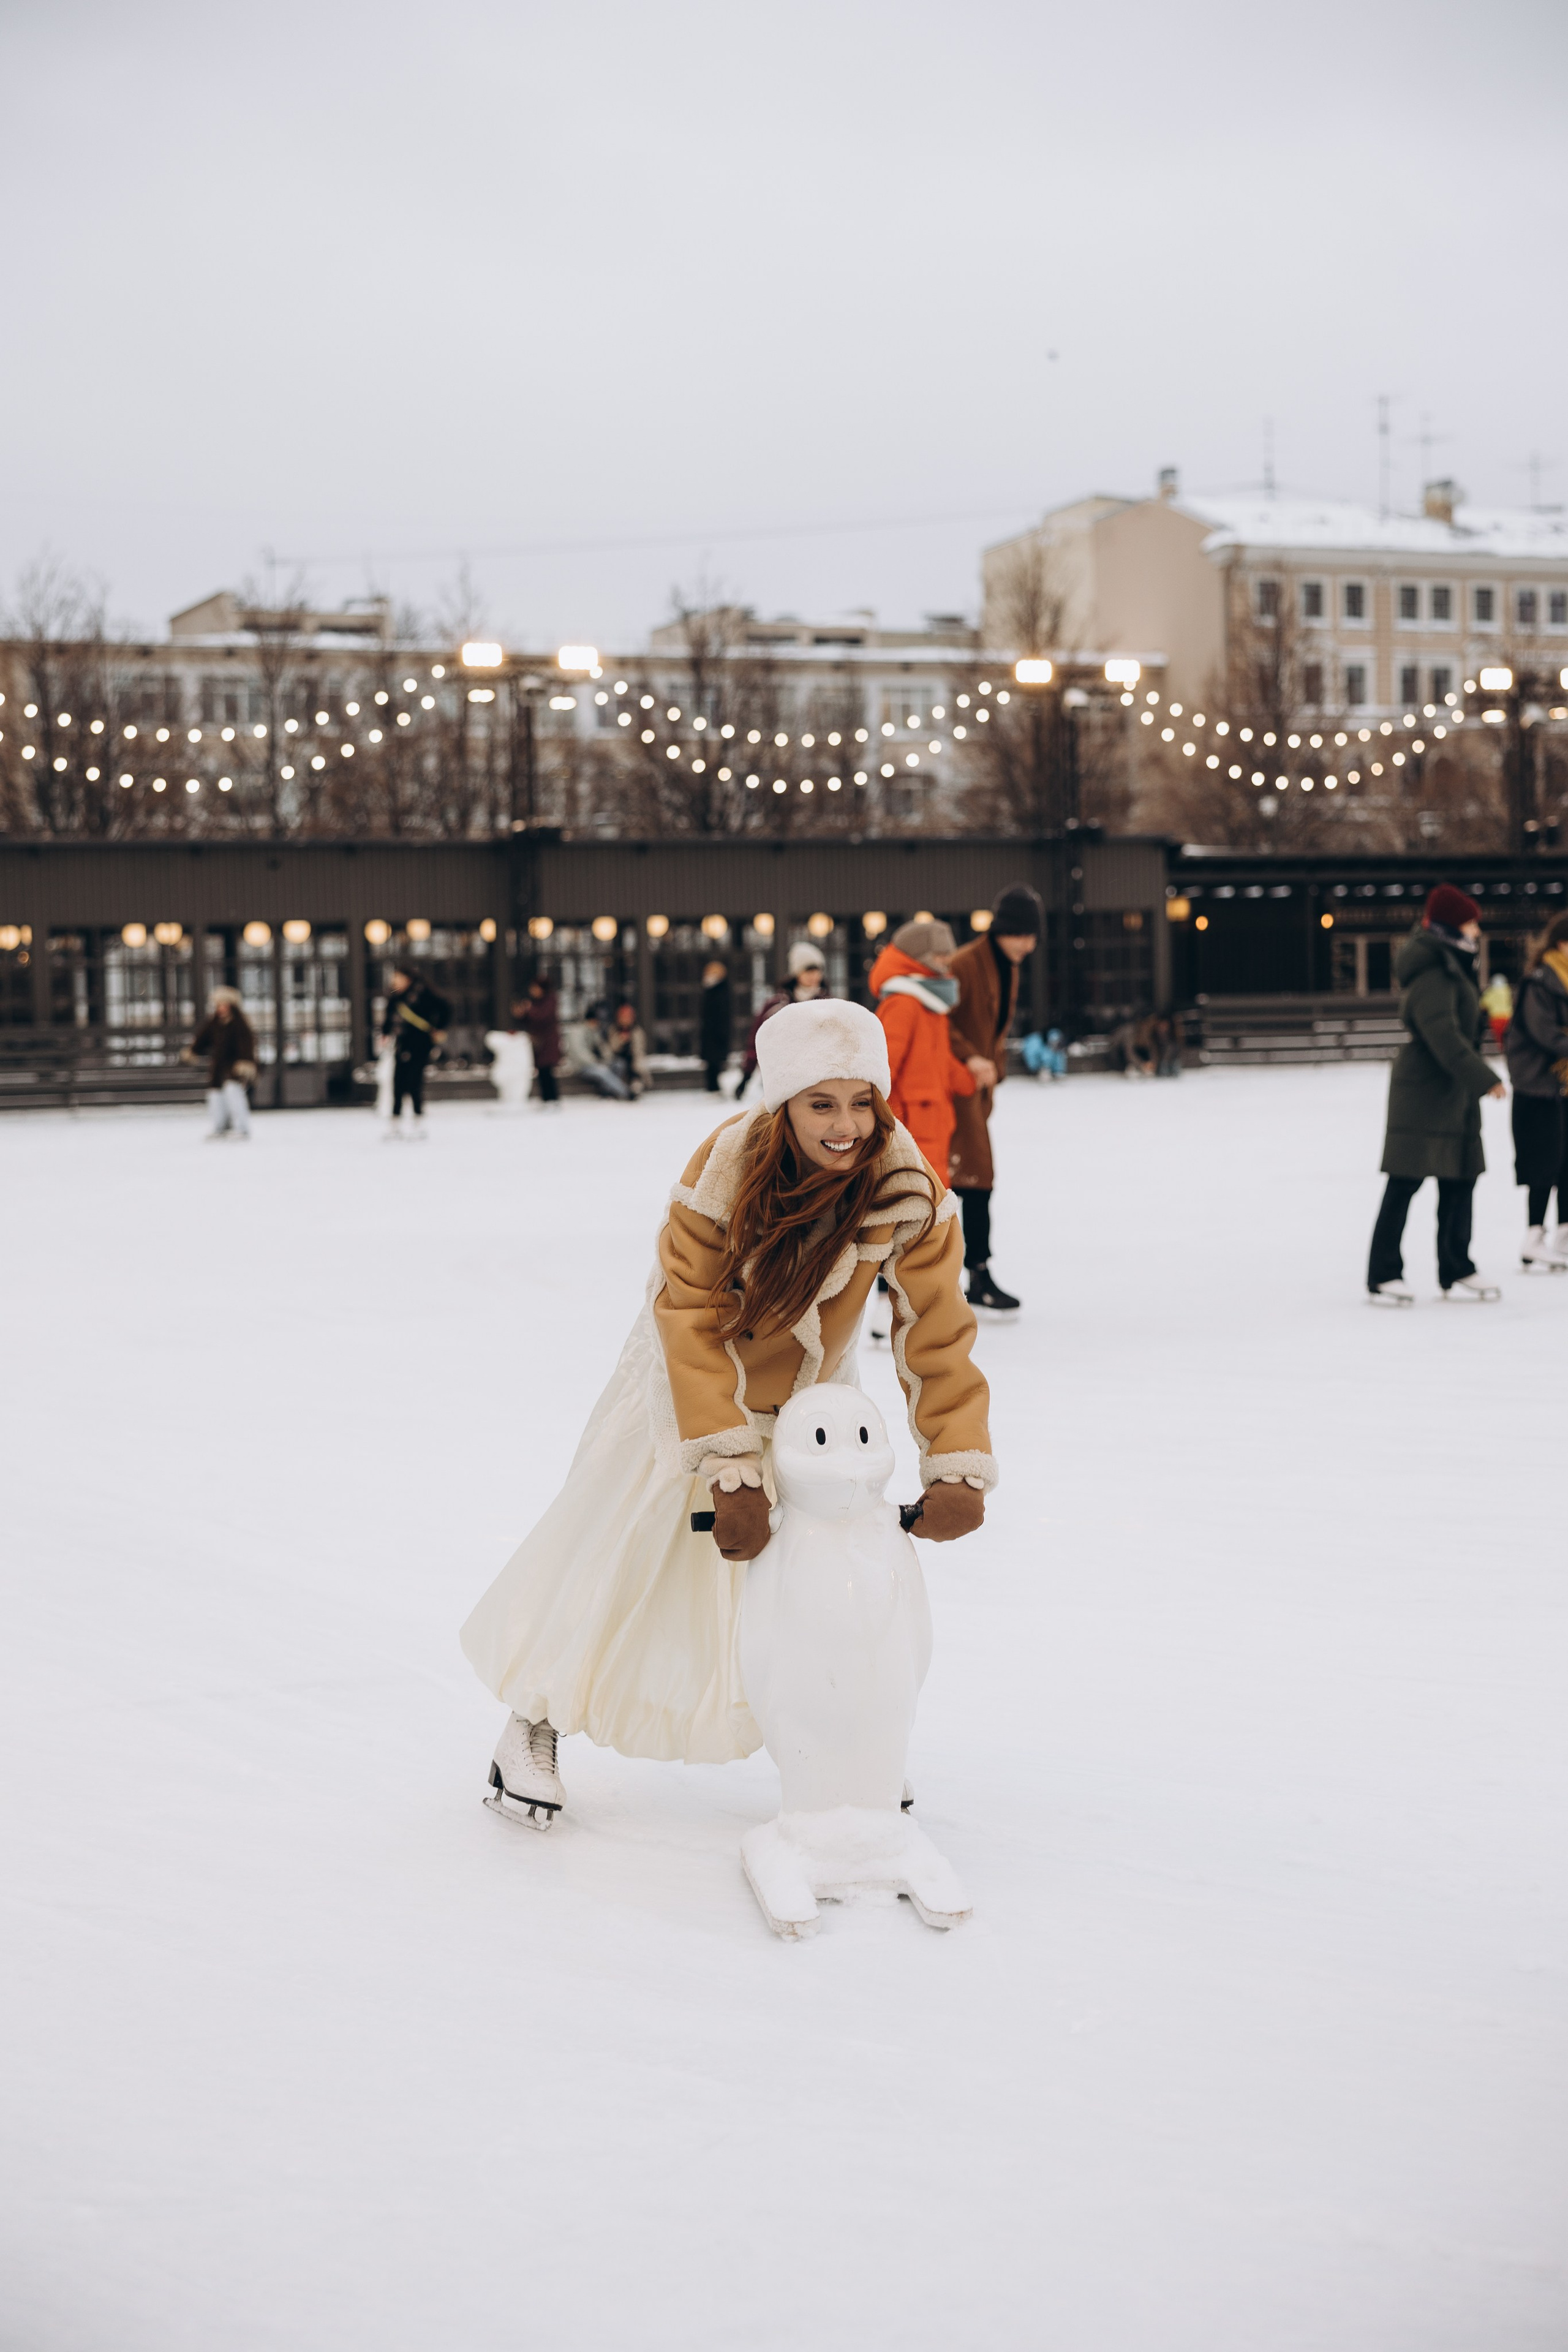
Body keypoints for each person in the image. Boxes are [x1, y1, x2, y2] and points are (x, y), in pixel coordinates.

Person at [460, 997, 997, 1826]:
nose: (846, 1125)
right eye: (821, 1104)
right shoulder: (727, 1170)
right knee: (624, 1555)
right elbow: (688, 1315)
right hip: (689, 1384)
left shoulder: (904, 1185)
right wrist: (727, 1463)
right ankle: (531, 1725)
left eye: (861, 1102)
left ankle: (850, 1748)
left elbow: (936, 1329)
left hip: (812, 1395)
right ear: (783, 1105)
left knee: (826, 1577)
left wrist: (955, 1461)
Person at [1367, 884, 1506, 1305]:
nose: (1477, 931)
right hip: (1424, 1089)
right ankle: (1383, 1273)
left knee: (1461, 1175)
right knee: (1406, 1179)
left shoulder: (1453, 964)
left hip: (1451, 1089)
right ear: (1452, 925)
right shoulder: (1434, 970)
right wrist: (1484, 1077)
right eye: (1471, 922)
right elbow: (1442, 1034)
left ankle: (1456, 1265)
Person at [948, 885, 1042, 1313]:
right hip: (953, 1091)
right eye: (1022, 934)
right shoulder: (965, 963)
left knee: (972, 1181)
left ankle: (973, 1274)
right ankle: (971, 1275)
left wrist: (993, 1068)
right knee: (971, 1180)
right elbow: (940, 1020)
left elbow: (995, 1029)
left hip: (976, 1093)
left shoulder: (1006, 964)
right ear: (1003, 930)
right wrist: (971, 1057)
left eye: (1032, 936)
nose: (1028, 944)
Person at [869, 917, 976, 1175]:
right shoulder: (903, 1004)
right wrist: (890, 1125)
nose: (948, 961)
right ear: (918, 958)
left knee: (934, 1197)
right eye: (940, 955)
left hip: (932, 1126)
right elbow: (883, 1074)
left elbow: (939, 1060)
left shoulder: (929, 1003)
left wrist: (969, 1079)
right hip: (909, 1129)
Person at [1504, 911, 1568, 1271]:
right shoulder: (1540, 982)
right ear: (1562, 943)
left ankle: (1564, 1232)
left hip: (1563, 1082)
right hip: (1540, 1084)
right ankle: (1533, 1236)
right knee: (1545, 1161)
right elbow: (1545, 1034)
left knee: (1567, 1159)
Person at [742, 940, 827, 1090]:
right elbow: (757, 1038)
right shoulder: (777, 1005)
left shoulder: (827, 1003)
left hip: (820, 1076)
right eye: (809, 971)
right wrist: (747, 1074)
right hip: (783, 1076)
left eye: (817, 971)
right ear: (797, 972)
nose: (814, 976)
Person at [382, 965, 449, 1139]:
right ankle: (395, 1123)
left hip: (420, 1044)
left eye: (397, 977)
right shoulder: (396, 995)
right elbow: (389, 1015)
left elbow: (445, 1008)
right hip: (401, 1044)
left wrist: (439, 1028)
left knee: (414, 1082)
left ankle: (418, 1121)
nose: (394, 981)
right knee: (398, 1083)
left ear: (408, 978)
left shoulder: (423, 993)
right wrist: (385, 1033)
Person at [189, 986, 257, 1140]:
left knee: (233, 1094)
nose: (221, 1008)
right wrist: (193, 1051)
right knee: (216, 1095)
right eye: (219, 1005)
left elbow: (247, 1044)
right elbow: (202, 1039)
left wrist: (245, 1062)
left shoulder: (239, 1024)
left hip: (235, 1066)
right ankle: (220, 1127)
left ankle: (242, 1128)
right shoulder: (214, 1023)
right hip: (219, 1066)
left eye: (224, 1005)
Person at [518, 979, 562, 1106]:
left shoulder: (549, 1001)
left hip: (548, 1042)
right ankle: (547, 1099)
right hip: (540, 1042)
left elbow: (542, 1017)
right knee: (542, 1071)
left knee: (547, 1071)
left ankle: (552, 1099)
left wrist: (529, 1009)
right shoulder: (538, 1002)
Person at [699, 959, 732, 1093]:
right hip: (710, 1033)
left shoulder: (719, 991)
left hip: (716, 1033)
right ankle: (713, 1086)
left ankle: (714, 1087)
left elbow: (722, 1014)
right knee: (712, 1062)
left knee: (715, 1062)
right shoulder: (711, 990)